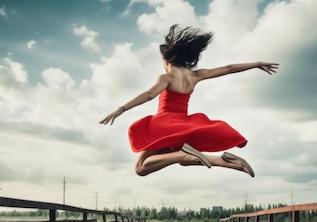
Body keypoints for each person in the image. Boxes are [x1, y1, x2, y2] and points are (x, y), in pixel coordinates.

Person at [99, 24, 279, 177]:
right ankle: (225, 162)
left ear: (167, 59)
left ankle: (182, 154)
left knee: (140, 168)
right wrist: (255, 63)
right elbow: (229, 68)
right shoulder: (195, 76)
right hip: (183, 123)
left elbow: (148, 95)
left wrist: (121, 109)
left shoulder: (167, 77)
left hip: (165, 124)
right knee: (181, 160)